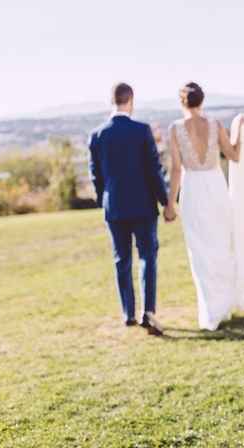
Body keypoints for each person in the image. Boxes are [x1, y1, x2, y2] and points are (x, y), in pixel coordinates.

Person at [165, 82, 244, 331]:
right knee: (222, 246)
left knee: (200, 251)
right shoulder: (215, 125)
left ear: (182, 102)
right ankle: (222, 306)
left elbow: (175, 169)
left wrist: (170, 203)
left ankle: (212, 311)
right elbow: (234, 155)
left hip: (192, 189)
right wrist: (239, 130)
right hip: (215, 187)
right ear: (201, 101)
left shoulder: (175, 129)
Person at [89, 82, 167, 336]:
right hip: (143, 205)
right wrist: (165, 201)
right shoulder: (141, 130)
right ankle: (148, 311)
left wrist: (104, 201)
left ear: (111, 101)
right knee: (147, 257)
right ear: (130, 100)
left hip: (115, 208)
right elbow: (153, 170)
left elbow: (96, 176)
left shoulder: (97, 135)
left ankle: (128, 314)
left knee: (121, 260)